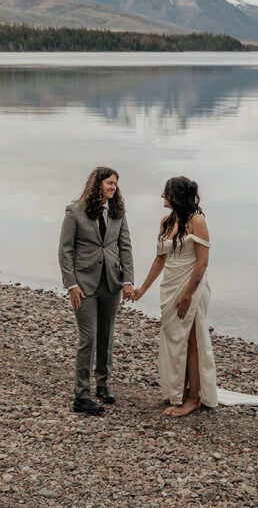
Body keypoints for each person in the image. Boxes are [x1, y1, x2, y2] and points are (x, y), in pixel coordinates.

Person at [132, 177, 219, 417]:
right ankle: (180, 389)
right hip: (170, 284)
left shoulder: (197, 221)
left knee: (191, 339)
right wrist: (142, 289)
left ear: (176, 195)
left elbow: (202, 264)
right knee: (174, 338)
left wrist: (187, 295)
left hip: (191, 285)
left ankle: (193, 399)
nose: (162, 196)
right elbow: (160, 259)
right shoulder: (166, 222)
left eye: (166, 192)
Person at [58, 166, 134, 416]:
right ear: (97, 183)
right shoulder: (75, 211)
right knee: (88, 338)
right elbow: (65, 251)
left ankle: (103, 385)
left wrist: (128, 281)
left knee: (106, 336)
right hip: (84, 286)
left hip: (111, 283)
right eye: (109, 183)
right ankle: (81, 396)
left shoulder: (117, 212)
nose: (113, 187)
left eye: (115, 184)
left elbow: (125, 247)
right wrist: (71, 284)